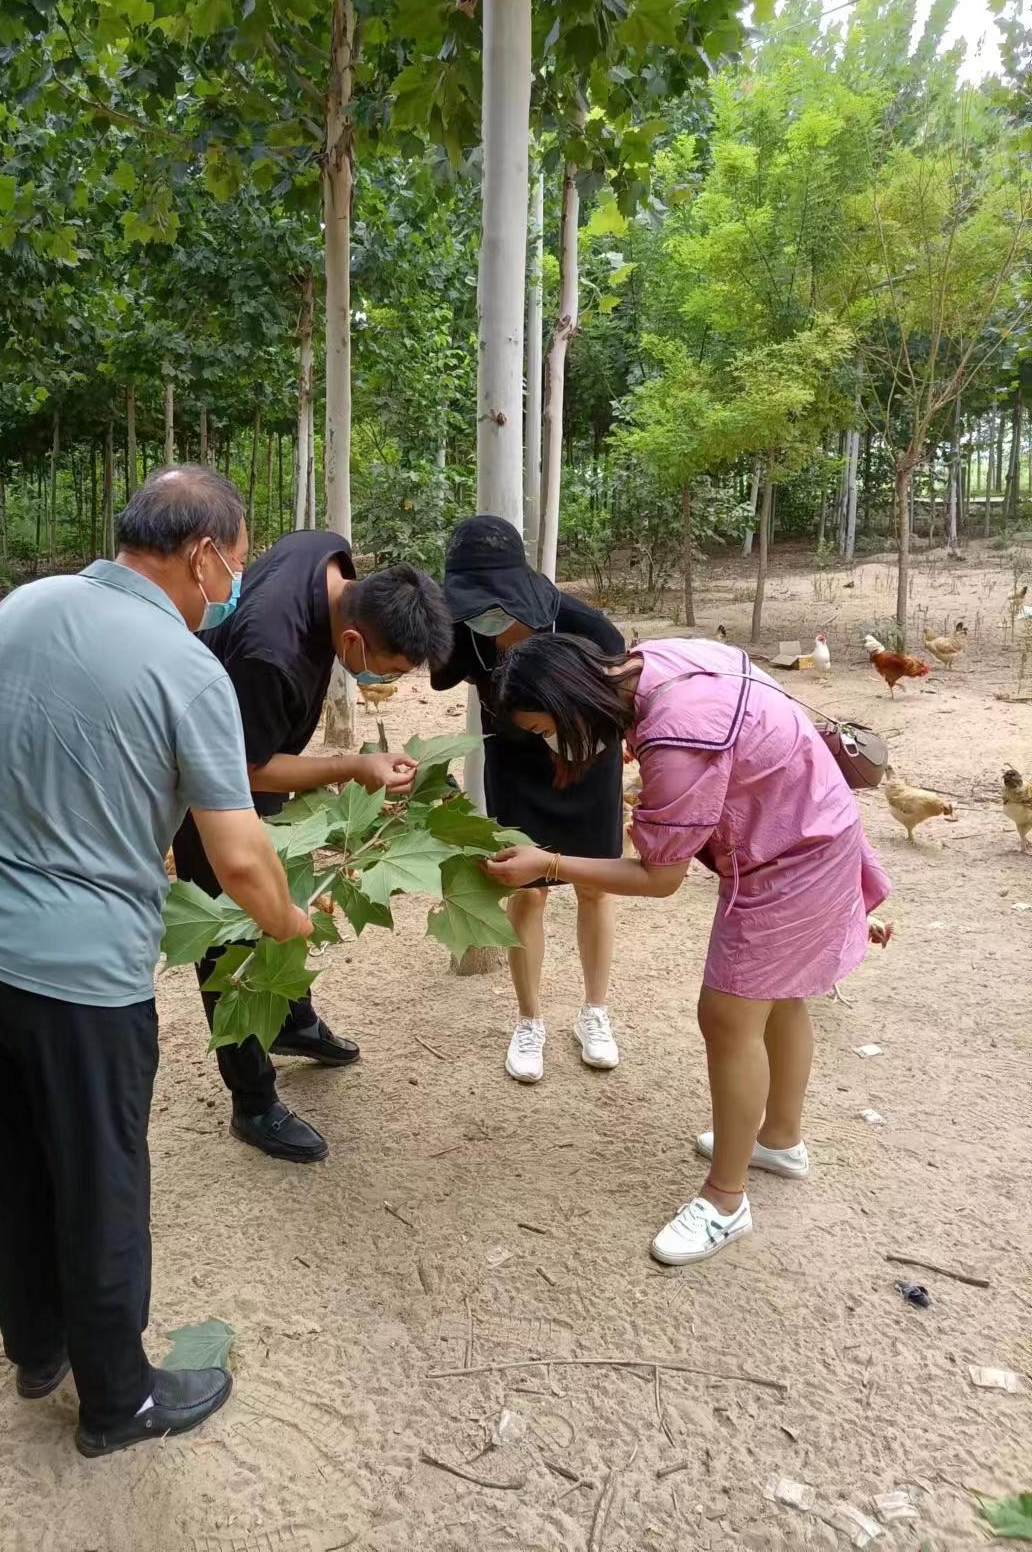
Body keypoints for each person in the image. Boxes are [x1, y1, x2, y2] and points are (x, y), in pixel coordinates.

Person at [0, 466, 310, 1457]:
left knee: (4, 1155)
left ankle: (38, 1343)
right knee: (98, 1178)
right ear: (201, 552)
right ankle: (118, 1398)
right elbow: (236, 850)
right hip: (77, 977)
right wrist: (287, 922)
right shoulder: (187, 669)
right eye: (236, 559)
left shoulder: (25, 603)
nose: (234, 582)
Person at [482, 632, 893, 1267]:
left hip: (789, 857)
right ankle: (780, 1139)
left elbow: (659, 878)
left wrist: (553, 864)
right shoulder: (656, 660)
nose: (547, 745)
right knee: (780, 998)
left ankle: (726, 1201)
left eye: (544, 729)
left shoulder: (677, 739)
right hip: (817, 821)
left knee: (727, 1016)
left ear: (570, 703)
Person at [171, 529, 453, 1164]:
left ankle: (293, 1022)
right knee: (231, 932)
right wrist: (352, 765)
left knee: (291, 887)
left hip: (258, 741)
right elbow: (238, 771)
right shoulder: (271, 654)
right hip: (209, 783)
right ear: (352, 640)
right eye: (391, 671)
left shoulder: (325, 554)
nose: (391, 683)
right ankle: (253, 1101)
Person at [431, 515, 625, 1084]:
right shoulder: (467, 629)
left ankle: (595, 1013)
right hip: (514, 767)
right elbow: (442, 671)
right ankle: (530, 1019)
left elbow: (618, 697)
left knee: (594, 884)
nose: (488, 612)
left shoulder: (583, 624)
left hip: (585, 763)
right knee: (528, 891)